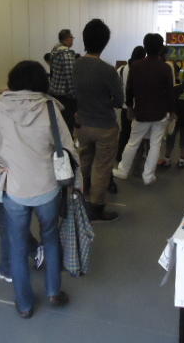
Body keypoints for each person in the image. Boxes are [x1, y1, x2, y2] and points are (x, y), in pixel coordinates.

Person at [0, 60, 75, 318]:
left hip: (14, 190)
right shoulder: (50, 107)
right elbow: (69, 149)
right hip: (47, 187)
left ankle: (25, 305)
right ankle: (53, 292)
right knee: (50, 237)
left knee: (17, 245)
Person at [73, 19, 123, 221]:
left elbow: (71, 93)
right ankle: (96, 207)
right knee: (101, 167)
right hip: (104, 126)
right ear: (105, 42)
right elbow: (119, 100)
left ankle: (80, 199)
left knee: (84, 161)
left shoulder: (75, 65)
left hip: (82, 123)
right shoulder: (108, 70)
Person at [113, 33, 174, 186]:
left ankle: (123, 171)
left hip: (140, 112)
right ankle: (148, 176)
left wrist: (129, 107)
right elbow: (170, 92)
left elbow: (129, 89)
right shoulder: (166, 68)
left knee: (132, 142)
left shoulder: (136, 66)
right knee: (155, 144)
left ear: (145, 47)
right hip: (160, 113)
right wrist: (171, 111)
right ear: (161, 49)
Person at [159, 66, 184, 169]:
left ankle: (167, 159)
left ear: (183, 76)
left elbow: (169, 102)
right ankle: (181, 161)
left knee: (170, 138)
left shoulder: (176, 88)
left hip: (174, 118)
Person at [116, 46, 146, 162]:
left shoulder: (121, 69)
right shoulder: (143, 69)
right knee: (138, 135)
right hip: (139, 108)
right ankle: (135, 159)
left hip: (125, 107)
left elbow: (116, 87)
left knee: (124, 133)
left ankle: (120, 156)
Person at [49, 29, 77, 134]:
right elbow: (71, 77)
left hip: (55, 93)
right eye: (72, 37)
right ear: (67, 39)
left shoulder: (54, 52)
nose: (73, 39)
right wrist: (75, 96)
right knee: (67, 125)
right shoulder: (66, 54)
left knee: (58, 123)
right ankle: (68, 143)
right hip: (66, 96)